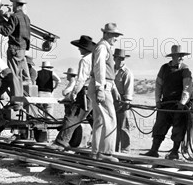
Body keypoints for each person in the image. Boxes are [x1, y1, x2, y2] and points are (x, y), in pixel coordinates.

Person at [144, 45, 192, 160]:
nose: (181, 58)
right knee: (159, 126)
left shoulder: (185, 70)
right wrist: (157, 100)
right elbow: (158, 85)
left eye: (182, 56)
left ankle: (174, 152)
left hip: (178, 105)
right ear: (173, 56)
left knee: (178, 128)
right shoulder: (164, 68)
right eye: (179, 56)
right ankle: (154, 150)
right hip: (165, 103)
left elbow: (187, 87)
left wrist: (182, 102)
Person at [51, 35, 96, 151]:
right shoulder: (96, 58)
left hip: (85, 92)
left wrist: (74, 93)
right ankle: (101, 145)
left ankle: (61, 142)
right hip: (95, 92)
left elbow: (81, 79)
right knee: (95, 120)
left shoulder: (85, 60)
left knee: (72, 117)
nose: (78, 49)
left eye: (80, 47)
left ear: (84, 48)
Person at [0, 0, 31, 103]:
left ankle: (15, 101)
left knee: (14, 76)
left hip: (14, 48)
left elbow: (6, 32)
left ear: (15, 4)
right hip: (22, 49)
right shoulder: (26, 18)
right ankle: (19, 100)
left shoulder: (14, 16)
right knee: (19, 76)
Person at [89, 23, 122, 161]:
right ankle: (105, 152)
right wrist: (100, 88)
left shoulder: (103, 47)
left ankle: (96, 151)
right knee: (110, 119)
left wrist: (113, 87)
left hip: (101, 85)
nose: (116, 38)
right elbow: (100, 68)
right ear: (106, 34)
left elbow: (105, 70)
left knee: (99, 120)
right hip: (101, 86)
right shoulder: (103, 47)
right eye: (114, 35)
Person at [112, 48, 134, 153]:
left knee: (124, 126)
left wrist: (127, 102)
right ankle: (114, 148)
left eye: (123, 59)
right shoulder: (110, 70)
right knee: (112, 126)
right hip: (111, 101)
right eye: (119, 59)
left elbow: (129, 89)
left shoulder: (126, 72)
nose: (121, 61)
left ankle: (125, 149)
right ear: (114, 59)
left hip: (122, 101)